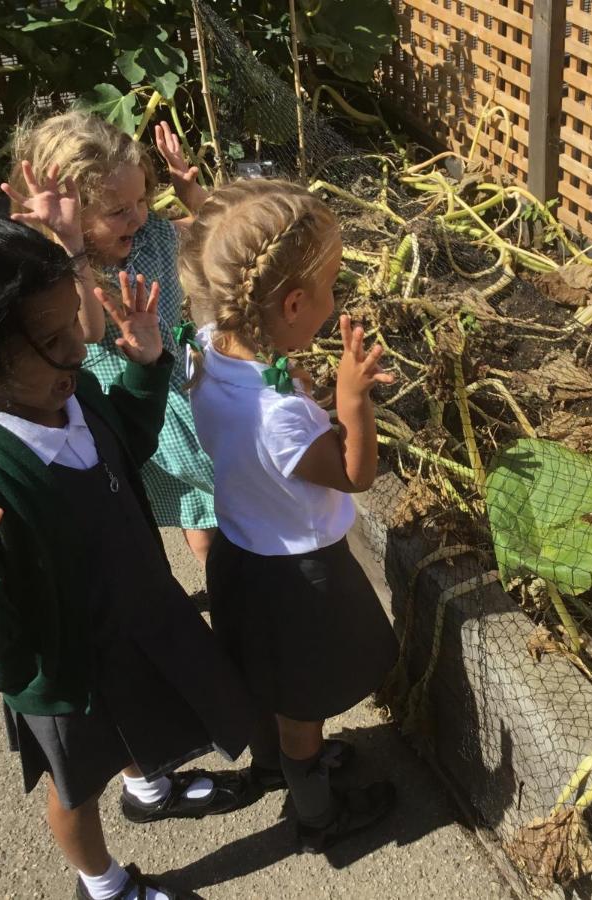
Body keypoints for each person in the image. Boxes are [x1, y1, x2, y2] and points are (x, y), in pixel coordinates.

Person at [0, 213, 257, 899]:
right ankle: (103, 884)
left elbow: (126, 453)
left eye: (71, 329)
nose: (78, 352)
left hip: (135, 618)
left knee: (146, 714)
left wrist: (145, 369)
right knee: (75, 784)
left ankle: (149, 787)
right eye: (51, 342)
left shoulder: (70, 392)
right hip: (65, 675)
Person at [180, 179, 400, 851]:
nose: (336, 301)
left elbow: (215, 295)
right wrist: (352, 400)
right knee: (302, 700)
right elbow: (357, 475)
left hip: (241, 558)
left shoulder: (206, 348)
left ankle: (277, 764)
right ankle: (317, 814)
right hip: (297, 580)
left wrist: (203, 209)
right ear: (295, 303)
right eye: (330, 287)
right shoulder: (284, 421)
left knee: (267, 679)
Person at [1, 109, 217, 565]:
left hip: (175, 381)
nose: (138, 217)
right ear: (71, 214)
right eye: (118, 211)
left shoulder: (152, 235)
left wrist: (189, 191)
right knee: (190, 511)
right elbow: (90, 329)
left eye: (143, 199)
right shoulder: (58, 266)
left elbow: (221, 233)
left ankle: (229, 590)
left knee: (204, 512)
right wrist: (72, 246)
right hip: (128, 403)